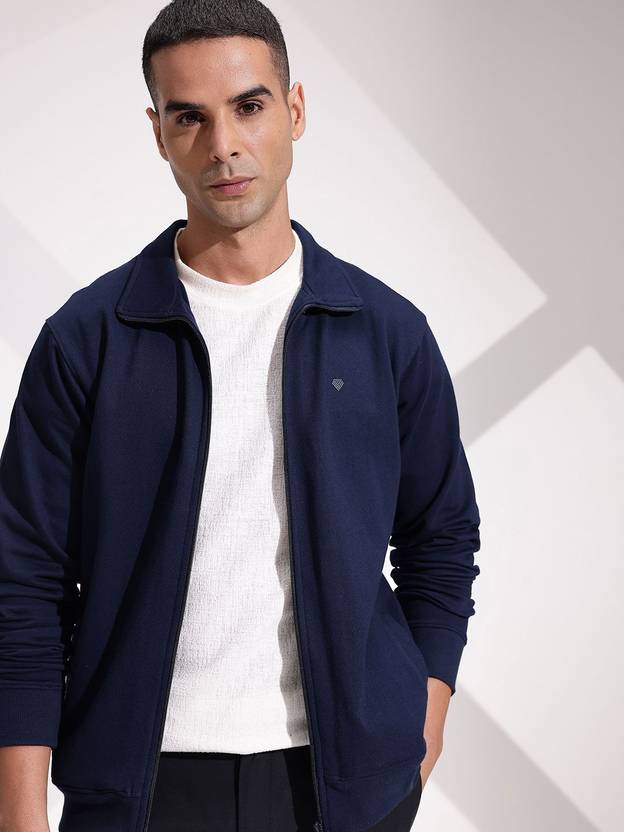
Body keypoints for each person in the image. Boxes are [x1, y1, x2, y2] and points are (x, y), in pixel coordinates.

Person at [0, 1, 482, 831]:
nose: (222, 144)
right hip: (139, 787)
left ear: (294, 110)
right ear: (159, 134)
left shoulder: (385, 332)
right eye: (189, 117)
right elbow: (24, 582)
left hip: (345, 785)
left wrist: (424, 717)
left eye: (249, 106)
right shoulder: (87, 339)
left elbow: (440, 540)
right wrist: (18, 813)